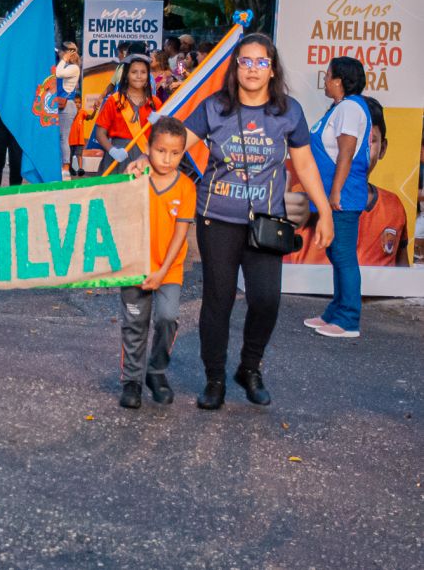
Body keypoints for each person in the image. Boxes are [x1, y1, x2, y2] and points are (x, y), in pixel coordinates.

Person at [171, 33, 333, 410]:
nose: (253, 69)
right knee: (218, 300)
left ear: (272, 69)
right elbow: (176, 143)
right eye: (246, 61)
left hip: (266, 223)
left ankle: (249, 367)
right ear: (236, 67)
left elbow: (305, 164)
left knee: (266, 299)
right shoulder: (215, 107)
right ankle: (214, 378)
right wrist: (146, 161)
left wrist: (324, 210)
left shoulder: (288, 111)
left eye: (262, 62)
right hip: (216, 219)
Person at [118, 116, 196, 409]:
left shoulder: (186, 187)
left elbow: (180, 233)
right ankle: (131, 381)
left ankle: (156, 371)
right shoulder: (136, 179)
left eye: (175, 153)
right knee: (135, 324)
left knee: (167, 318)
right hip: (134, 266)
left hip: (168, 269)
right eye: (161, 150)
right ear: (148, 148)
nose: (167, 158)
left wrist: (162, 272)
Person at [287, 97, 410, 268]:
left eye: (367, 141)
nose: (352, 149)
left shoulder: (393, 206)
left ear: (382, 149)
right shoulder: (300, 200)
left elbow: (402, 272)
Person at [300, 57, 372, 339]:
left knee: (343, 255)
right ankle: (336, 311)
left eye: (328, 75)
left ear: (339, 81)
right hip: (336, 194)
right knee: (336, 253)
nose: (326, 80)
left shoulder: (350, 108)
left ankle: (349, 319)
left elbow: (346, 153)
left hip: (344, 195)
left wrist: (336, 191)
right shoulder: (341, 108)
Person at [94, 54, 162, 173]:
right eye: (134, 72)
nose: (139, 76)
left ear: (148, 76)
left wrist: (160, 124)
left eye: (143, 72)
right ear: (126, 75)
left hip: (144, 158)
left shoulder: (155, 103)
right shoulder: (114, 100)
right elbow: (100, 133)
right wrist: (112, 151)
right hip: (118, 157)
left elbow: (162, 136)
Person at [55, 41, 81, 178]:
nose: (59, 54)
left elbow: (58, 73)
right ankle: (60, 164)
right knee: (59, 137)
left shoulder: (74, 68)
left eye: (61, 51)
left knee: (63, 137)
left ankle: (65, 167)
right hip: (60, 104)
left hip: (67, 105)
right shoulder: (65, 65)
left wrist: (64, 59)